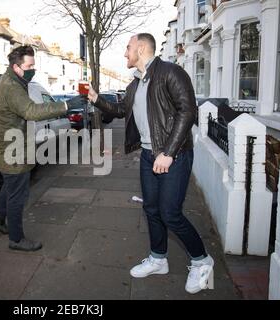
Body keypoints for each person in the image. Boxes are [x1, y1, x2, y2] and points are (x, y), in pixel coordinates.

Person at [87, 33, 214, 294]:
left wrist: (168, 152)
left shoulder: (171, 72)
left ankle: (202, 261)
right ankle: (158, 259)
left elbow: (188, 111)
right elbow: (122, 111)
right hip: (147, 156)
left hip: (173, 156)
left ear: (141, 48)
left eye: (128, 48)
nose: (125, 53)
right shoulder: (135, 84)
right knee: (152, 210)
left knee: (171, 213)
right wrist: (96, 99)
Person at [0, 45, 84, 251]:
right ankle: (16, 239)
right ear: (16, 67)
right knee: (18, 195)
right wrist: (66, 106)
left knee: (9, 186)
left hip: (4, 146)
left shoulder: (10, 80)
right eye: (30, 65)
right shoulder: (11, 86)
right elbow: (31, 110)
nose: (34, 69)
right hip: (13, 150)